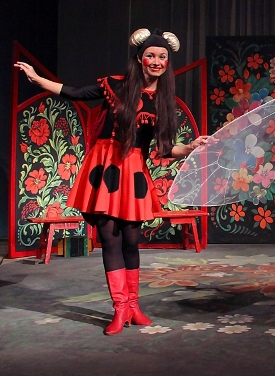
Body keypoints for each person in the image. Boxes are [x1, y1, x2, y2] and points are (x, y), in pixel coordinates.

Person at [15, 28, 209, 335]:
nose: (156, 61)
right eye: (150, 56)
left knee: (131, 241)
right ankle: (119, 309)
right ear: (140, 58)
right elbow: (75, 92)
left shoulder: (162, 101)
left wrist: (190, 147)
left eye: (162, 57)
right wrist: (38, 80)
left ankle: (133, 306)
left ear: (167, 62)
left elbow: (163, 149)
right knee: (110, 238)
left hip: (133, 172)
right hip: (105, 167)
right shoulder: (116, 85)